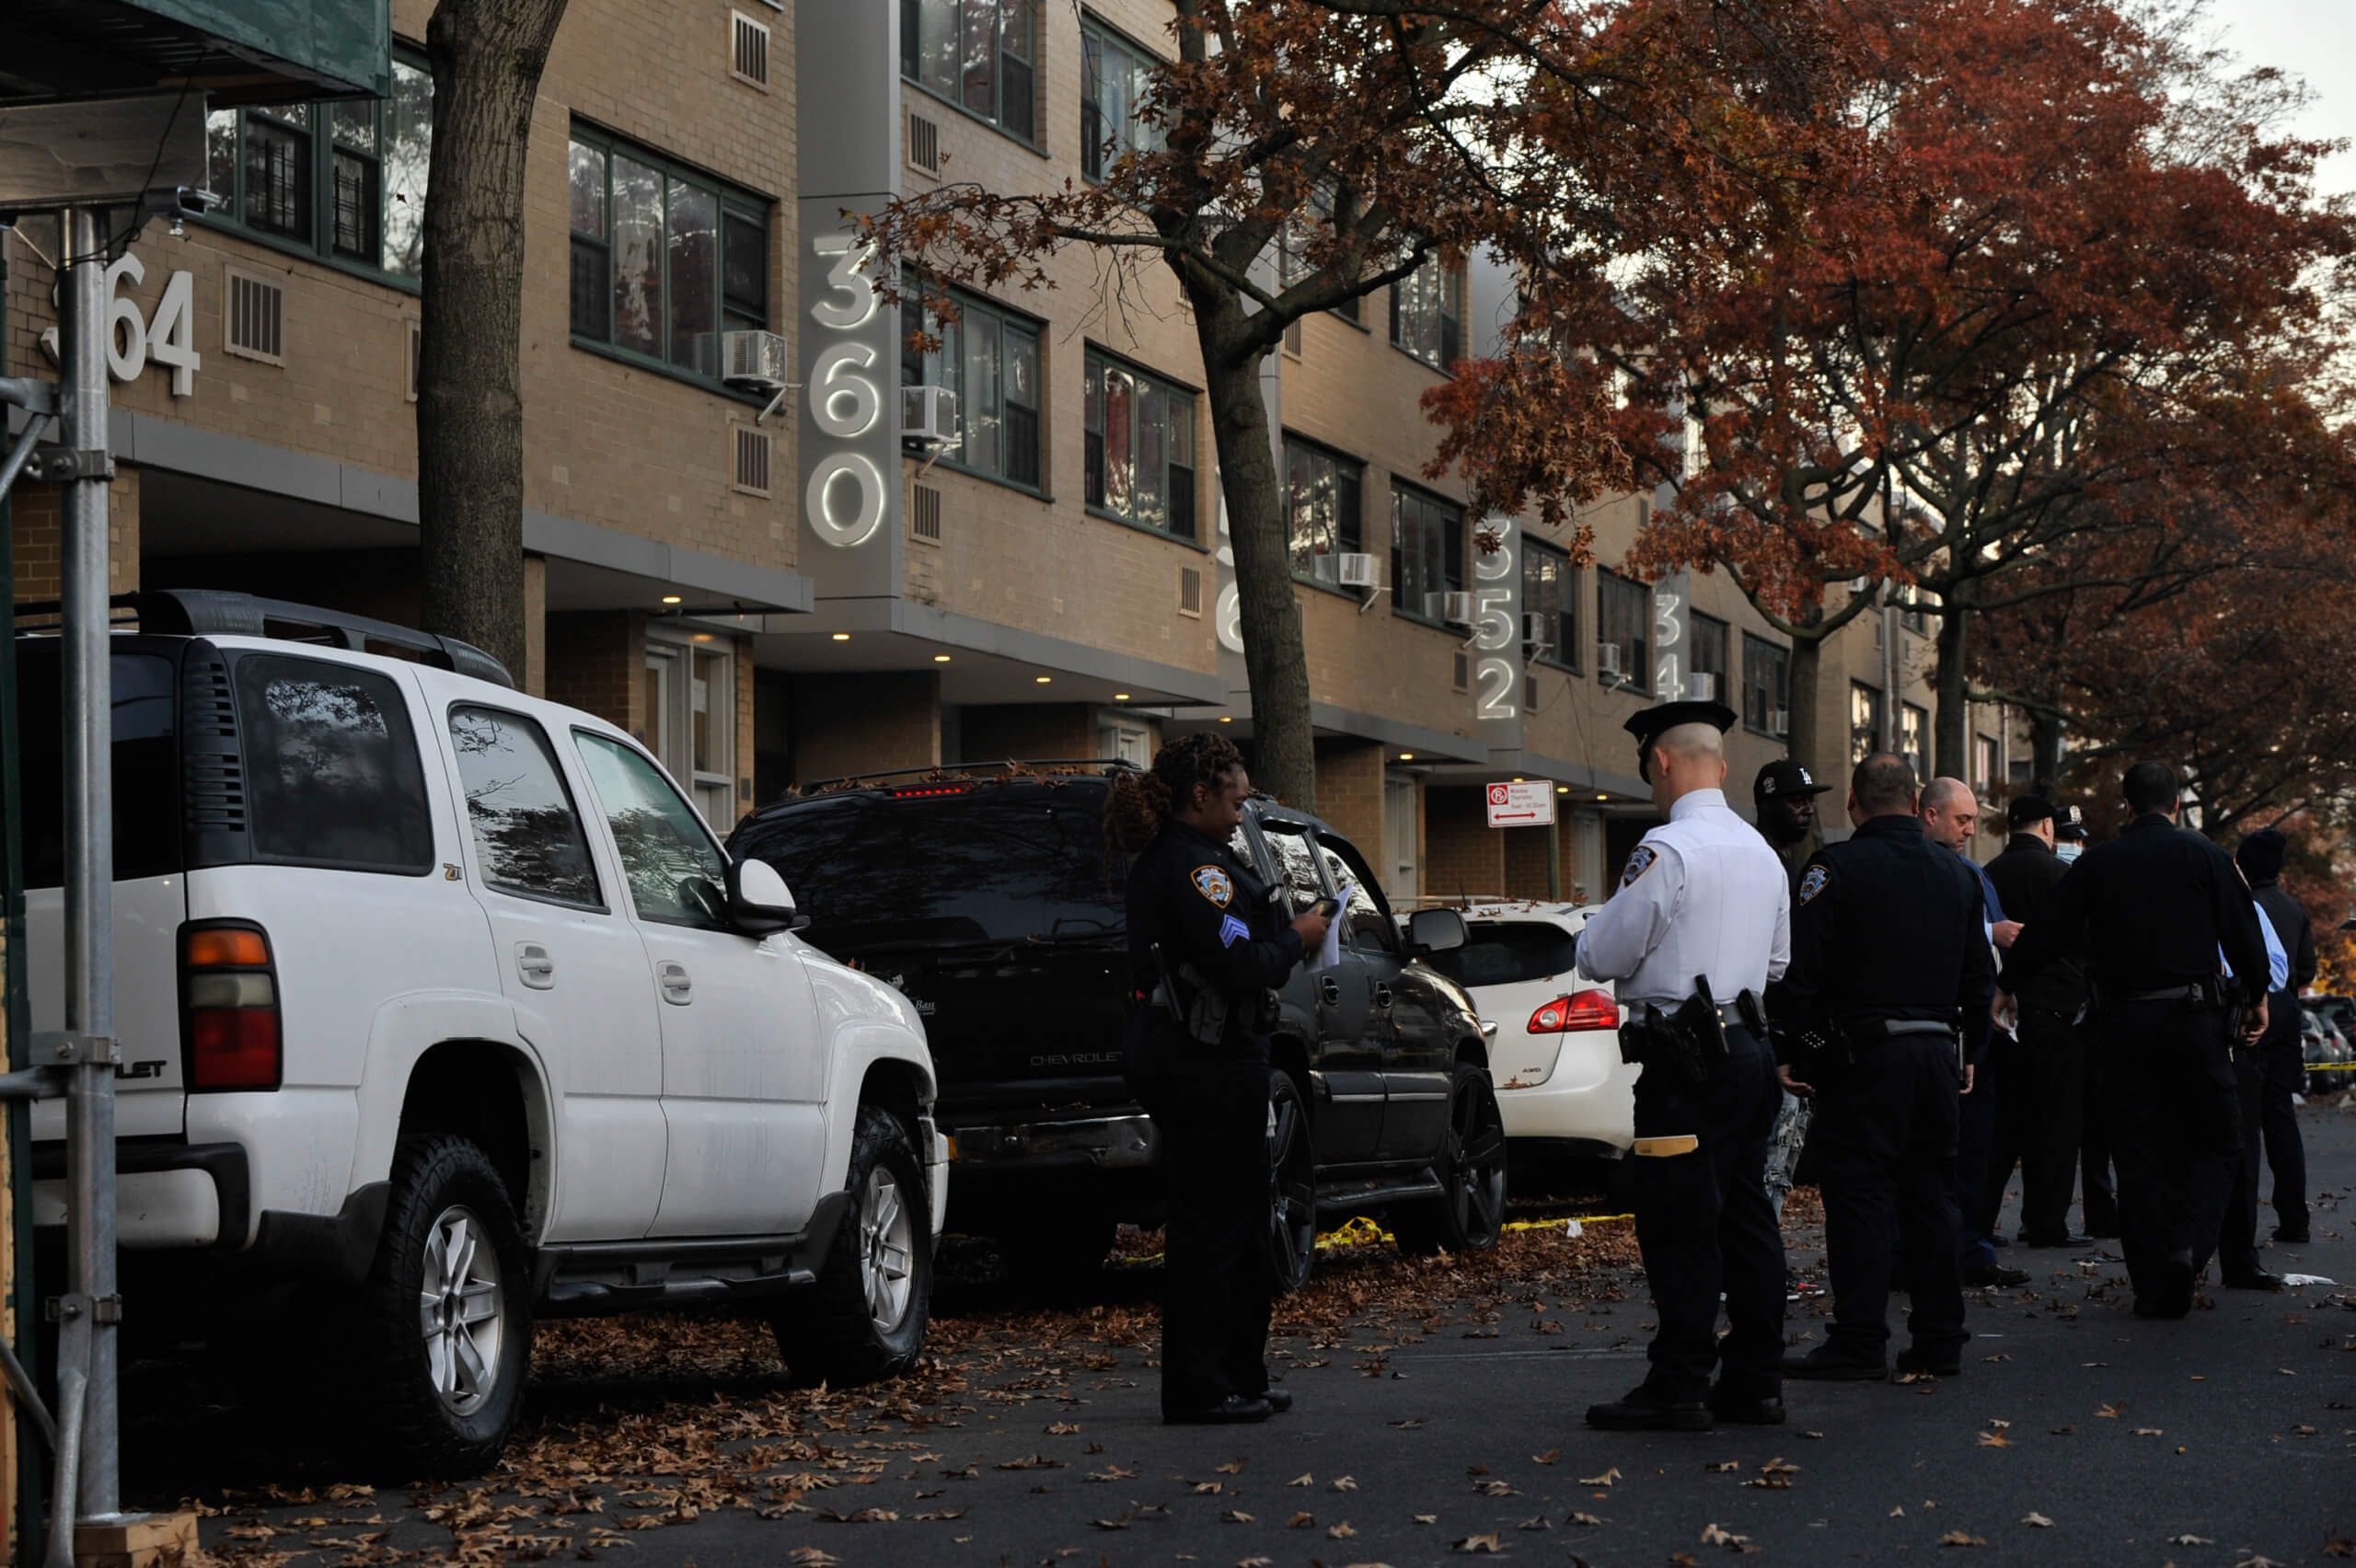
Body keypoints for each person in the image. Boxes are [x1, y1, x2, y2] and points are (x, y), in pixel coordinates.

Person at [1576, 700, 1791, 1431]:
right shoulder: (1763, 854)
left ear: (1660, 762)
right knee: (1749, 1218)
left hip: (1683, 1064)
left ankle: (1680, 1383)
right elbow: (1777, 962)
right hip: (1750, 1052)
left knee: (1678, 1223)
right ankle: (1757, 1380)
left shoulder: (1666, 850)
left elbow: (1600, 954)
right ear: (1723, 769)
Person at [1105, 734, 1330, 1424]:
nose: (1241, 812)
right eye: (1234, 799)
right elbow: (1240, 962)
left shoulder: (1198, 859)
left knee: (1240, 1221)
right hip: (1204, 1061)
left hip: (1216, 1057)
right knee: (1213, 1228)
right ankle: (1201, 1388)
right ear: (1200, 796)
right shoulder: (1192, 869)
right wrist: (1300, 938)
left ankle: (1240, 1374)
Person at [1997, 762, 2269, 1320]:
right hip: (2194, 1020)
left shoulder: (2097, 864)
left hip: (2123, 1026)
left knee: (2138, 1152)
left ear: (2125, 806)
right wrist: (2257, 992)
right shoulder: (2208, 857)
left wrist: (2007, 983)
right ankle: (2190, 1245)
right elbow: (2243, 934)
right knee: (2219, 1140)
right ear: (2175, 806)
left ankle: (2152, 1281)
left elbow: (2049, 932)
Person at [1781, 754, 1993, 1381]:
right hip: (1935, 1053)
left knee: (1861, 1199)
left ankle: (1859, 1338)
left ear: (1854, 804)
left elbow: (1802, 975)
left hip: (1864, 1056)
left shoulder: (1835, 868)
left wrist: (1797, 1048)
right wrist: (1970, 1052)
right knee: (1932, 1196)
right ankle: (1939, 1337)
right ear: (1913, 802)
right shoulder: (1959, 876)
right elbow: (1979, 980)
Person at [1918, 778, 2028, 1289]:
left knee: (1970, 1147)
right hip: (1952, 1029)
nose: (1970, 829)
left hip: (1975, 1026)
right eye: (1961, 820)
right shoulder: (1937, 870)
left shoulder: (1970, 871)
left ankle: (1965, 1246)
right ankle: (1959, 1250)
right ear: (1929, 815)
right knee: (1950, 1149)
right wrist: (1989, 935)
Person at [1980, 797, 2092, 1249]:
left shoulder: (1987, 874)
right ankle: (2045, 1221)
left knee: (2002, 1124)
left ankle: (1982, 1219)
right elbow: (2084, 939)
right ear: (2048, 825)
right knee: (2057, 1124)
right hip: (2057, 1011)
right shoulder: (2062, 876)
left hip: (2000, 1011)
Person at [2221, 829, 2316, 1274]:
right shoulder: (2293, 908)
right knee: (2281, 1116)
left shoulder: (2237, 905)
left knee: (2244, 1120)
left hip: (2248, 1012)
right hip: (2287, 1014)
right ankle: (2294, 1216)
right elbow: (2308, 968)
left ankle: (2241, 1226)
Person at [1754, 759, 1833, 1221]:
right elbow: (1775, 970)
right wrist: (1782, 1046)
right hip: (1763, 1037)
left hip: (1775, 1037)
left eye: (1809, 801)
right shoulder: (1761, 862)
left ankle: (1758, 1267)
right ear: (1766, 802)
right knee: (1770, 1162)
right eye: (1794, 800)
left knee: (1778, 1163)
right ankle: (1753, 1272)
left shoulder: (1788, 865)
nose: (1805, 810)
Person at [2051, 804, 2117, 1236]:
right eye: (2070, 838)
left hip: (2071, 1013)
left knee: (2083, 1122)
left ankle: (2076, 1212)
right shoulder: (2077, 882)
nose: (2076, 847)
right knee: (2086, 1123)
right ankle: (2094, 1212)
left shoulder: (2087, 879)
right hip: (2075, 1012)